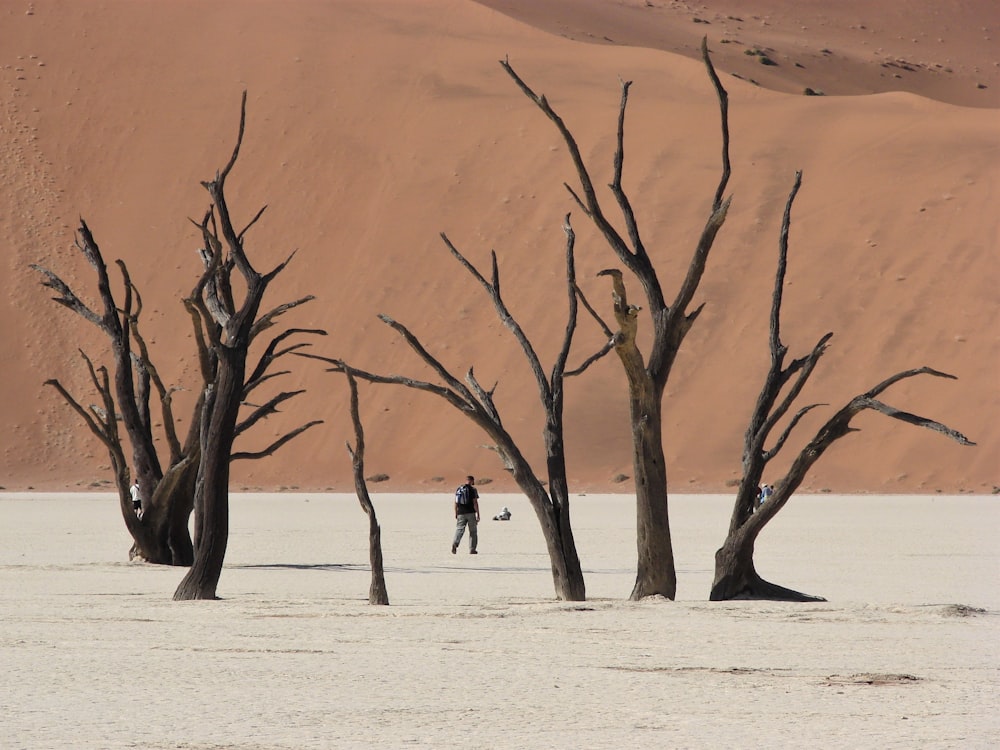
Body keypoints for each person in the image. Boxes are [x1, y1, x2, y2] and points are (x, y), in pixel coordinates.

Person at [451, 475, 480, 554]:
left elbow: (456, 502)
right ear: (472, 481)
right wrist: (478, 514)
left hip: (461, 513)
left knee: (459, 529)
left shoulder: (459, 489)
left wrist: (456, 513)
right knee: (473, 532)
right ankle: (472, 549)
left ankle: (455, 543)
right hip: (471, 513)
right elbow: (475, 502)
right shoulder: (473, 490)